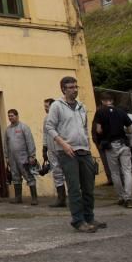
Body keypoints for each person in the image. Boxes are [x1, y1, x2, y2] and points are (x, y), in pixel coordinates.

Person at [45, 77, 104, 233]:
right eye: (71, 87)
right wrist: (63, 144)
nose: (75, 89)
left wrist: (88, 146)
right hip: (67, 152)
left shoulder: (81, 107)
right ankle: (78, 220)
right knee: (74, 187)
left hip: (84, 150)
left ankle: (89, 217)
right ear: (63, 89)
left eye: (76, 86)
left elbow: (84, 128)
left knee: (88, 186)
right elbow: (49, 127)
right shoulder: (57, 106)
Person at [93, 93, 132, 208]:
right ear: (112, 101)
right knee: (127, 171)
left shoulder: (100, 112)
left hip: (110, 146)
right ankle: (129, 198)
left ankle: (121, 197)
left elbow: (99, 130)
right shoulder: (121, 112)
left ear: (102, 101)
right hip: (123, 144)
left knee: (115, 172)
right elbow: (130, 130)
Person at [3, 109, 38, 205]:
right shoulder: (7, 130)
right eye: (9, 116)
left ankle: (34, 198)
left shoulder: (24, 127)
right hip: (12, 158)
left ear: (17, 116)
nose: (10, 117)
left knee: (29, 176)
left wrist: (32, 155)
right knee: (15, 177)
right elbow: (5, 144)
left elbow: (30, 142)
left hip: (24, 158)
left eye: (12, 115)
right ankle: (18, 198)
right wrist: (6, 157)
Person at [42, 99, 66, 208]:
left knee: (68, 172)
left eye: (47, 106)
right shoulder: (46, 119)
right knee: (57, 173)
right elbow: (45, 134)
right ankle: (61, 199)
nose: (45, 108)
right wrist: (44, 147)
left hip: (62, 149)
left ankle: (76, 197)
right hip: (51, 150)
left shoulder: (61, 117)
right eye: (45, 106)